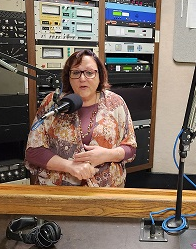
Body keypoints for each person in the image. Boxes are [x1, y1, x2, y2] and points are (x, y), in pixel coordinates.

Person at [25, 49, 137, 186]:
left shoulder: (116, 103)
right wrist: (69, 166)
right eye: (76, 73)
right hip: (59, 193)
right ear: (68, 76)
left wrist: (108, 154)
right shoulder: (53, 103)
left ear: (100, 75)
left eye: (89, 73)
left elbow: (130, 148)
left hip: (106, 192)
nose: (82, 78)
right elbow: (33, 151)